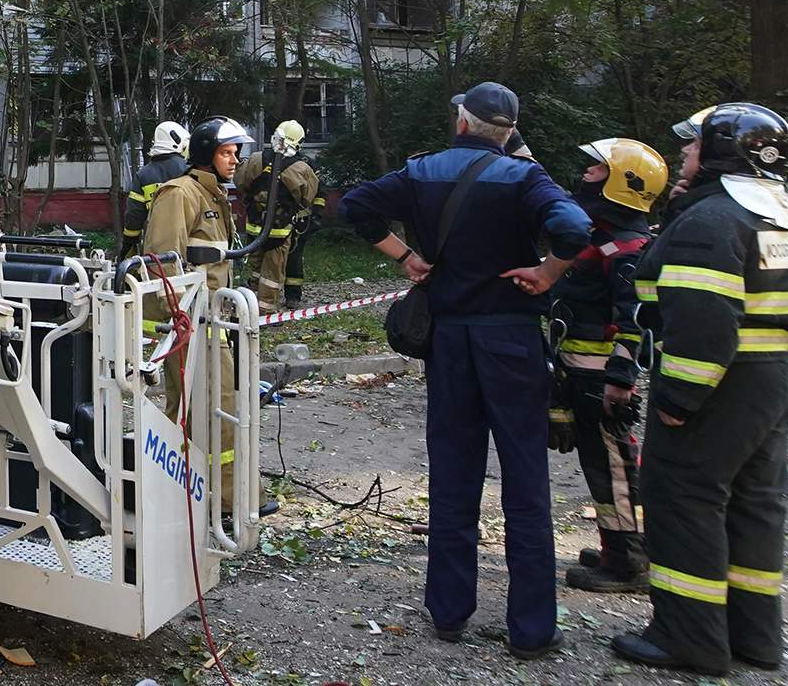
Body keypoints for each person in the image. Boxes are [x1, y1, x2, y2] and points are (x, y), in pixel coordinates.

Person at [339, 82, 590, 660]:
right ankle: (531, 629)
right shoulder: (527, 178)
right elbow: (574, 230)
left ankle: (449, 611)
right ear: (508, 131)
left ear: (461, 122)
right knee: (526, 481)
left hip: (449, 341)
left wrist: (406, 257)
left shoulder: (423, 171)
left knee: (453, 473)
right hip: (512, 341)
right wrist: (548, 274)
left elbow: (356, 205)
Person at [611, 103, 788, 675]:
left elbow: (704, 321)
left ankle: (689, 638)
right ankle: (753, 635)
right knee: (754, 506)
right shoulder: (775, 214)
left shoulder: (709, 221)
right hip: (770, 380)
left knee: (683, 500)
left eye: (692, 147)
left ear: (721, 154)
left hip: (721, 383)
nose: (682, 156)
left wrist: (678, 398)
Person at [550, 137, 669, 594]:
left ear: (622, 183)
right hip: (579, 371)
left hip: (601, 378)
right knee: (599, 463)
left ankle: (628, 562)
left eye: (597, 170)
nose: (586, 174)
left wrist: (621, 378)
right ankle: (617, 544)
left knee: (613, 467)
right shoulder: (600, 235)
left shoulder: (626, 247)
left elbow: (637, 321)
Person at [139, 116, 256, 507]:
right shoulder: (180, 193)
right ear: (206, 153)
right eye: (226, 152)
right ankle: (211, 502)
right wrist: (179, 316)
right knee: (204, 408)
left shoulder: (213, 195)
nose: (234, 160)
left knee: (206, 408)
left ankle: (201, 495)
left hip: (212, 317)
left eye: (236, 153)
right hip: (191, 320)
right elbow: (161, 259)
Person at [234, 120, 320, 314]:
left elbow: (240, 182)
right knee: (272, 274)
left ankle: (250, 302)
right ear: (298, 143)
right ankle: (265, 311)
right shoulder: (301, 168)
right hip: (279, 231)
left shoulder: (256, 159)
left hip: (254, 226)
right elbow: (307, 198)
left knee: (256, 266)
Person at [118, 120, 189, 260]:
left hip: (156, 249)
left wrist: (128, 246)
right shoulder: (190, 171)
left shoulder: (143, 175)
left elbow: (134, 216)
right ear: (180, 144)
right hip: (189, 246)